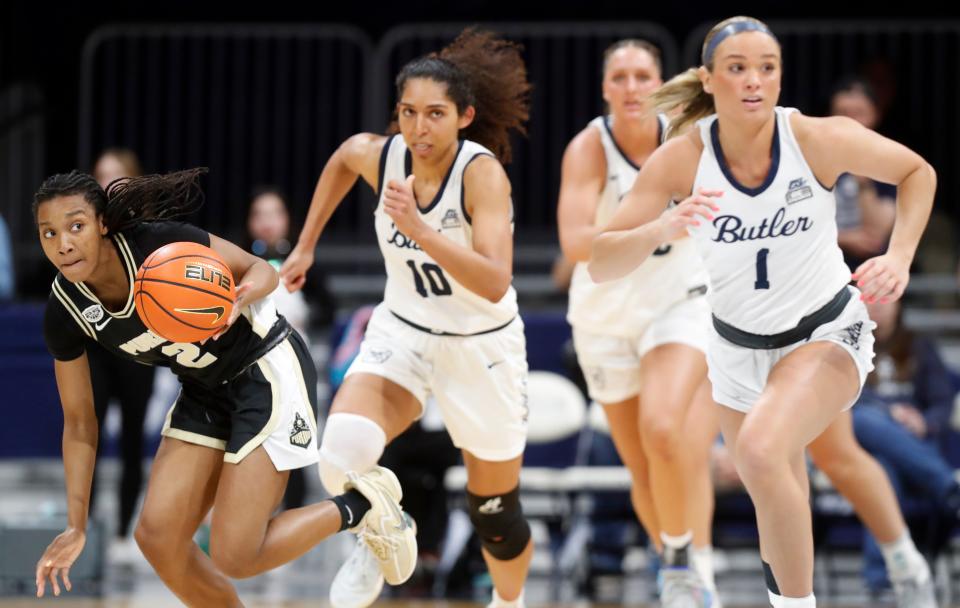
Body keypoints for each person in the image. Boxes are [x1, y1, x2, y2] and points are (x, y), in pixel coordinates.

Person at [589, 16, 936, 608]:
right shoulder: (681, 158)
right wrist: (661, 227)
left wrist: (900, 256)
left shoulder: (814, 138)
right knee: (774, 483)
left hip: (824, 331)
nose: (754, 81)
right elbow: (600, 261)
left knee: (776, 451)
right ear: (709, 79)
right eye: (738, 68)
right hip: (736, 349)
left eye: (767, 68)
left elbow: (916, 172)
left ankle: (907, 568)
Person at [32, 168, 415, 605]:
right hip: (203, 387)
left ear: (101, 224)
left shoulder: (156, 244)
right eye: (48, 233)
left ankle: (362, 507)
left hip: (263, 367)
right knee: (158, 538)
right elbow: (80, 423)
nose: (62, 243)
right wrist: (76, 524)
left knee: (236, 555)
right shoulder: (65, 311)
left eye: (75, 226)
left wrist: (242, 296)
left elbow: (258, 269)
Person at [281, 28, 533, 608]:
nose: (420, 128)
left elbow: (496, 280)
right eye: (409, 112)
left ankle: (510, 602)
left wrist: (420, 230)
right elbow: (345, 157)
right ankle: (379, 535)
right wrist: (305, 245)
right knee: (340, 449)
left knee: (495, 513)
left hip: (482, 345)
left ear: (465, 116)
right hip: (406, 330)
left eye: (436, 114)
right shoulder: (386, 155)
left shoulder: (481, 174)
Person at [556, 39, 719, 607]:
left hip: (678, 299)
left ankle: (696, 571)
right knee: (643, 468)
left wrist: (719, 74)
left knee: (667, 433)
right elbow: (576, 243)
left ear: (661, 82)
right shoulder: (588, 148)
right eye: (620, 77)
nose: (632, 87)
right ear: (605, 88)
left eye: (643, 75)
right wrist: (655, 227)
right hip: (605, 310)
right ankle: (676, 564)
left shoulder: (687, 139)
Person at [83, 148, 157, 562]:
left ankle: (125, 531)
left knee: (132, 437)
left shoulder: (150, 229)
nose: (108, 182)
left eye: (116, 174)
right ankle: (83, 527)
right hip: (96, 343)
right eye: (101, 175)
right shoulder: (84, 226)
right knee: (86, 433)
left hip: (136, 345)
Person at [829, 78, 897, 270]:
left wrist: (861, 177)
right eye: (842, 113)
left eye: (859, 114)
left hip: (870, 271)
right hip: (820, 269)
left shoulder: (890, 163)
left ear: (876, 115)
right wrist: (844, 238)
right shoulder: (810, 159)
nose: (850, 122)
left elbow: (876, 235)